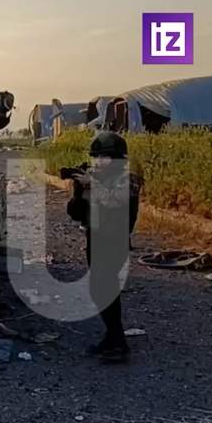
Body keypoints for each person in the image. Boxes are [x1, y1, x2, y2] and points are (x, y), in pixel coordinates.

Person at [65, 131, 141, 362]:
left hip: (114, 240)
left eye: (104, 157)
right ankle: (112, 336)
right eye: (95, 157)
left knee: (106, 289)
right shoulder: (96, 179)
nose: (98, 162)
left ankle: (118, 342)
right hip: (95, 238)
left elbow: (116, 202)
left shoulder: (129, 179)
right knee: (99, 290)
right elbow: (76, 213)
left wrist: (92, 184)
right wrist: (79, 192)